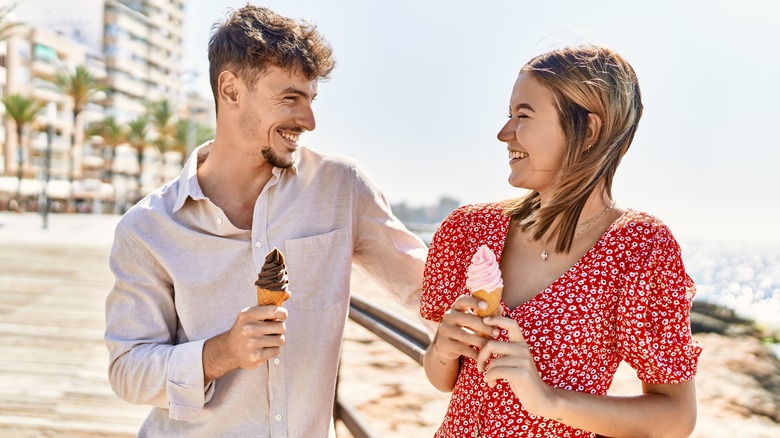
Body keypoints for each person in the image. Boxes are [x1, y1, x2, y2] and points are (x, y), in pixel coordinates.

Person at [104, 5, 426, 437]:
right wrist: (222, 352)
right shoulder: (146, 229)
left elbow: (426, 285)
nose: (308, 121)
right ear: (231, 90)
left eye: (310, 100)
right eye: (290, 98)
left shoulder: (340, 189)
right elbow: (128, 370)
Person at [421, 44, 702, 437]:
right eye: (509, 115)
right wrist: (442, 349)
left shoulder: (639, 249)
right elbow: (442, 379)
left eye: (523, 115)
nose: (504, 133)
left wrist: (547, 399)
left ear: (588, 130)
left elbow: (676, 417)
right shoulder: (470, 229)